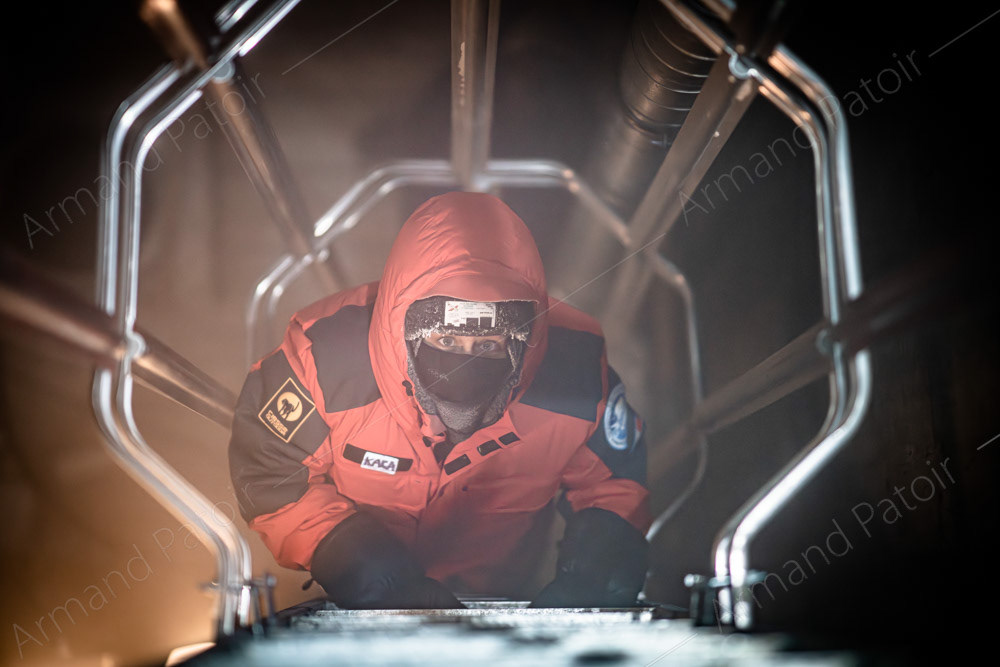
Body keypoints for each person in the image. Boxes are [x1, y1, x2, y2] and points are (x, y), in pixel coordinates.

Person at [228, 191, 650, 609]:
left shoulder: (575, 379)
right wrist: (352, 559)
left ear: (526, 342)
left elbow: (610, 481)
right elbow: (268, 468)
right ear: (403, 325)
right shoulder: (322, 361)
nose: (463, 365)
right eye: (446, 339)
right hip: (356, 595)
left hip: (508, 594)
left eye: (487, 344)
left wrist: (599, 568)